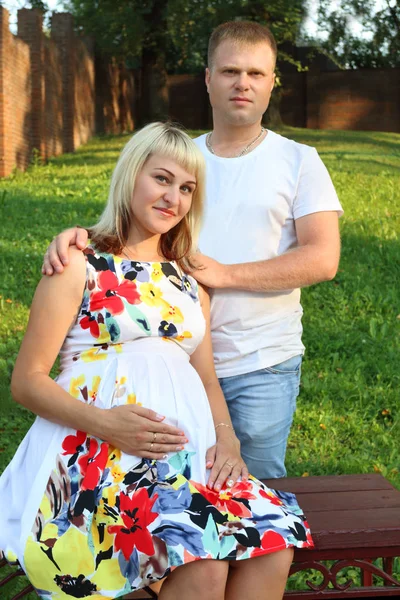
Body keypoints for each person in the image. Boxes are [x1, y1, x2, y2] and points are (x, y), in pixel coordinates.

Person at [0, 123, 313, 600]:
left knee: (273, 542)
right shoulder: (80, 263)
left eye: (187, 188)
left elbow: (206, 379)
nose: (174, 198)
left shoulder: (189, 282)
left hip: (185, 464)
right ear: (131, 178)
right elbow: (26, 382)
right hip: (97, 457)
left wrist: (228, 443)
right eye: (162, 179)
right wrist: (107, 424)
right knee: (202, 560)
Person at [42, 21, 343, 481]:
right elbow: (136, 220)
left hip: (258, 364)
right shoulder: (183, 159)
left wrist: (224, 274)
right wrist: (81, 235)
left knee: (252, 491)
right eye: (230, 71)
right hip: (164, 360)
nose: (243, 83)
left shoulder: (300, 160)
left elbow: (323, 259)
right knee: (167, 496)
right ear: (208, 79)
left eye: (257, 74)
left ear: (271, 83)